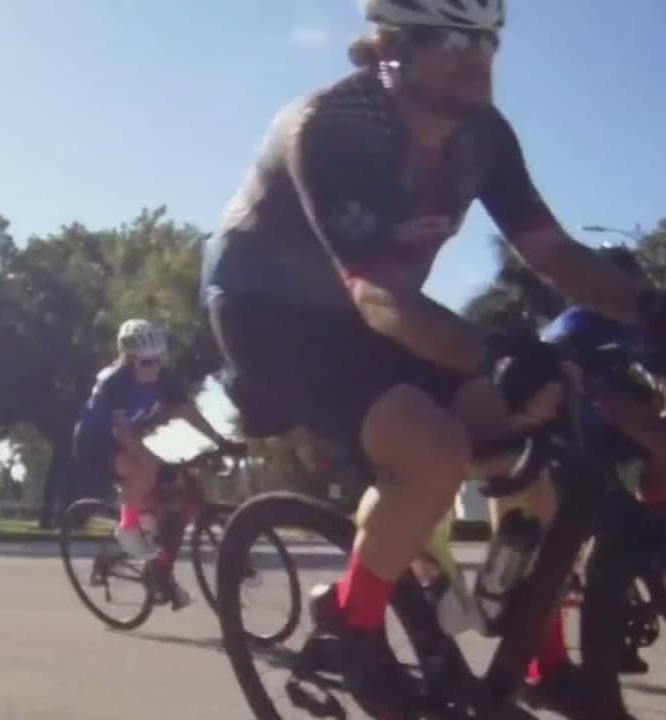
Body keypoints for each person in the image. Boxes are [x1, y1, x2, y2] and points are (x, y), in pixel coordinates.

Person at [201, 1, 666, 716]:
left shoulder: (484, 136)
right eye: (452, 39)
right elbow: (375, 294)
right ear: (392, 45)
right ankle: (352, 625)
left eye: (488, 40)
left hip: (382, 308)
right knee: (433, 451)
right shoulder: (331, 129)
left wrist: (650, 310)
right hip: (271, 314)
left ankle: (539, 660)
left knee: (531, 453)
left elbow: (554, 255)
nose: (475, 59)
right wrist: (493, 355)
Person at [542, 243, 666, 675]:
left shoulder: (644, 326)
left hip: (613, 437)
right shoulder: (574, 326)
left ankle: (651, 525)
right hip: (569, 437)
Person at [73, 318, 232, 609]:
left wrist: (219, 440)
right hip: (96, 443)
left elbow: (187, 411)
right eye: (146, 362)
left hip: (130, 435)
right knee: (145, 465)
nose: (154, 367)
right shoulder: (114, 382)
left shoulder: (163, 378)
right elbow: (122, 434)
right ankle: (127, 527)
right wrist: (156, 458)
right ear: (128, 359)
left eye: (158, 360)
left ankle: (158, 569)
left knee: (180, 496)